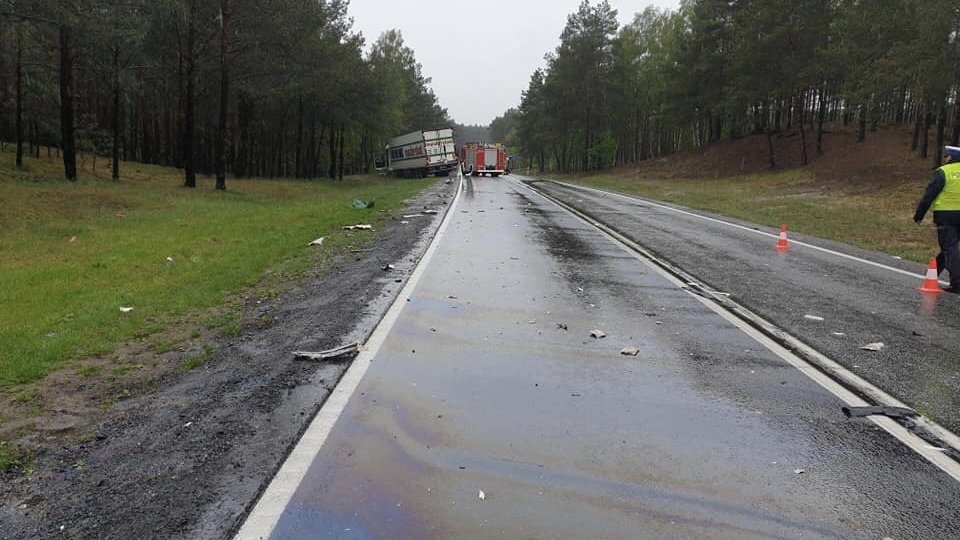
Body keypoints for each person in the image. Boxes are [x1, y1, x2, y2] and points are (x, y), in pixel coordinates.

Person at [914, 145, 960, 292]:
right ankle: (933, 273)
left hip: (946, 215)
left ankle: (957, 283)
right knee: (949, 247)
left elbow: (929, 195)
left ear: (951, 157)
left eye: (946, 156)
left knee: (949, 247)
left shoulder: (943, 172)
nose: (945, 158)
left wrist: (919, 215)